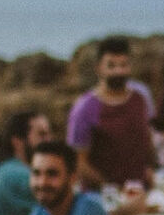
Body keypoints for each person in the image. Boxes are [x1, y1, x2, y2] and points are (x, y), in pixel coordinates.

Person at [67, 36, 157, 189]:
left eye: (124, 65)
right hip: (104, 196)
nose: (119, 71)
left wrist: (151, 168)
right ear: (99, 68)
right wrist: (109, 187)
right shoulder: (85, 107)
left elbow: (148, 136)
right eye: (111, 65)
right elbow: (79, 161)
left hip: (141, 190)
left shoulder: (141, 95)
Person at [0, 111, 54, 215]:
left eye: (49, 134)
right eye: (42, 135)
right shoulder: (19, 175)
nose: (49, 140)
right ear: (17, 142)